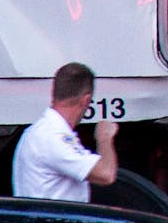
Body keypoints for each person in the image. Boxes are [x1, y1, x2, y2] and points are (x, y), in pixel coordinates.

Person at [12, 62, 119, 202]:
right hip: (51, 221)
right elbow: (106, 174)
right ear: (86, 100)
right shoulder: (52, 137)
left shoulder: (43, 131)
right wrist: (104, 137)